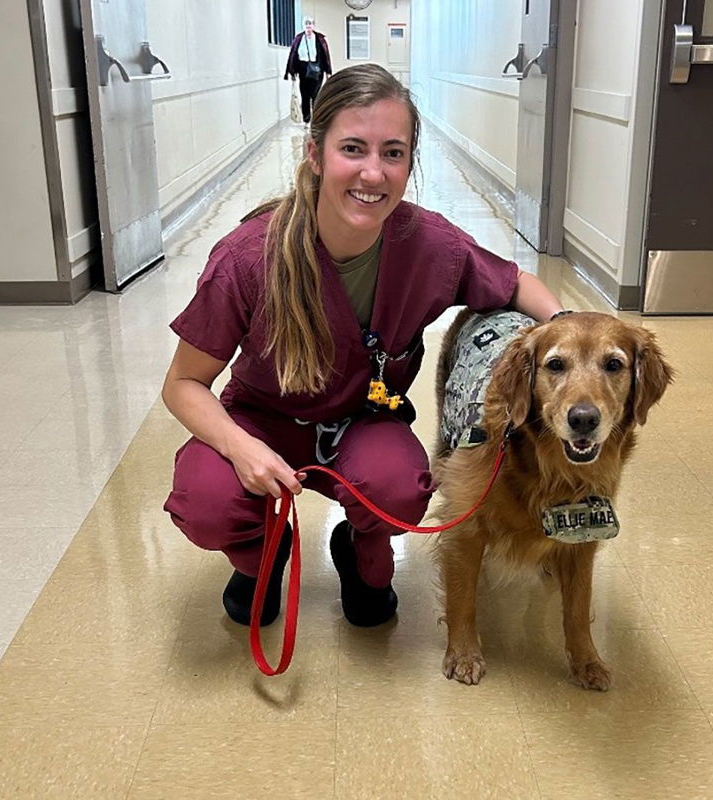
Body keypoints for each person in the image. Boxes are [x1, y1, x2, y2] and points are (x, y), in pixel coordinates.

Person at [162, 64, 563, 630]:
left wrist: (571, 327)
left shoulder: (426, 243)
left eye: (393, 153)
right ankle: (260, 557)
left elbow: (514, 282)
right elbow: (183, 384)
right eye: (353, 148)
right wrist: (240, 447)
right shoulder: (249, 258)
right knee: (208, 499)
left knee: (400, 487)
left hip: (365, 419)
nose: (373, 173)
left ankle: (362, 555)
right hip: (264, 420)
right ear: (315, 153)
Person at [283, 17, 332, 125]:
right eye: (306, 24)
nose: (308, 26)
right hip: (303, 70)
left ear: (313, 26)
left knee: (315, 94)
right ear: (303, 26)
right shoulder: (299, 38)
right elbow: (293, 55)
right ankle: (306, 119)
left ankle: (316, 119)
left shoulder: (320, 39)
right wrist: (292, 72)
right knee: (304, 95)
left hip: (317, 69)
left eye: (310, 24)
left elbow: (326, 55)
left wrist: (328, 71)